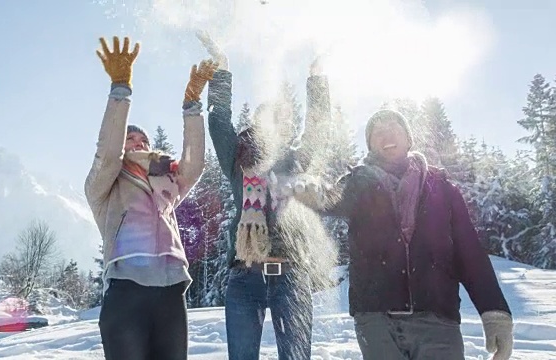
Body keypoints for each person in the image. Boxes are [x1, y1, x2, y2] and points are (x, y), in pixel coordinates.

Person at [298, 109, 514, 360]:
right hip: (376, 321)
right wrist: (311, 192)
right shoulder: (356, 184)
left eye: (394, 128)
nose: (387, 134)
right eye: (378, 131)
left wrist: (495, 311)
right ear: (369, 145)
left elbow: (470, 252)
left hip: (437, 321)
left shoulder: (441, 188)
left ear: (409, 139)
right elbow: (329, 199)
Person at [197, 32, 334, 360]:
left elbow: (318, 128)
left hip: (292, 276)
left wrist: (316, 76)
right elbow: (217, 121)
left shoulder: (295, 161)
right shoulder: (237, 161)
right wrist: (222, 68)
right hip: (245, 277)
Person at [84, 35, 217, 360]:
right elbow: (108, 152)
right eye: (130, 138)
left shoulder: (166, 181)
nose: (138, 142)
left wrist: (192, 106)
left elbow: (194, 164)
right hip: (126, 290)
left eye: (142, 138)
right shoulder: (104, 186)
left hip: (170, 290)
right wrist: (120, 91)